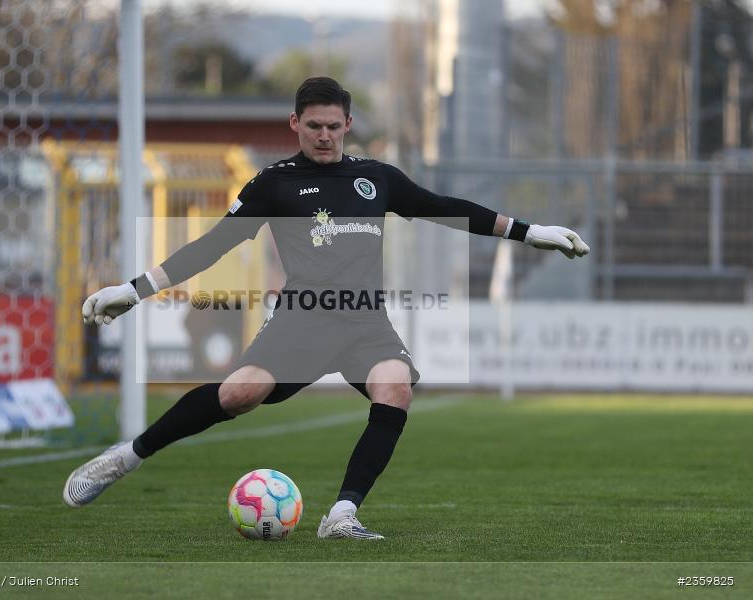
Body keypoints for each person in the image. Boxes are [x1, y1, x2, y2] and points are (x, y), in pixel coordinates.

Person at [63, 77, 589, 540]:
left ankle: (341, 514)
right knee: (239, 393)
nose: (324, 136)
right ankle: (124, 457)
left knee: (395, 387)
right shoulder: (274, 183)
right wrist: (132, 291)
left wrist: (529, 231)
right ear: (295, 123)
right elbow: (211, 246)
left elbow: (443, 208)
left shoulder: (376, 178)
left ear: (348, 124)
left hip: (364, 324)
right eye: (314, 125)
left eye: (334, 126)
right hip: (300, 321)